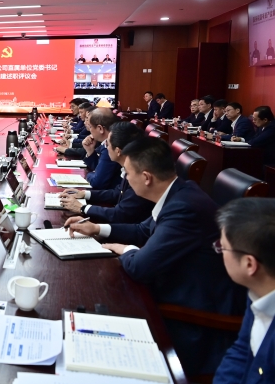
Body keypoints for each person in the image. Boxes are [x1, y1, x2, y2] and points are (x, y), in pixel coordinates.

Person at [67, 137, 246, 376]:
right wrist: (97, 229)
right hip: (177, 283)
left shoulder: (184, 207)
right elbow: (143, 230)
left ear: (146, 177)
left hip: (194, 316)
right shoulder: (179, 191)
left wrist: (125, 249)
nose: (125, 179)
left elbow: (140, 267)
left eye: (127, 174)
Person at [213, 198, 275, 384]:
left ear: (249, 264)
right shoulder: (259, 290)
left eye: (222, 247)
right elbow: (242, 350)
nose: (219, 251)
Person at [60, 122, 154, 223]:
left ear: (118, 151)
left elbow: (121, 214)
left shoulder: (139, 174)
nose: (105, 147)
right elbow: (117, 193)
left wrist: (83, 208)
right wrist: (84, 193)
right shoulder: (130, 166)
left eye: (107, 144)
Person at [81, 108, 122, 190]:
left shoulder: (111, 146)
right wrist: (90, 151)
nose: (89, 130)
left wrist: (87, 174)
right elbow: (100, 168)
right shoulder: (109, 141)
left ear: (100, 129)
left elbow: (97, 182)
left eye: (90, 126)